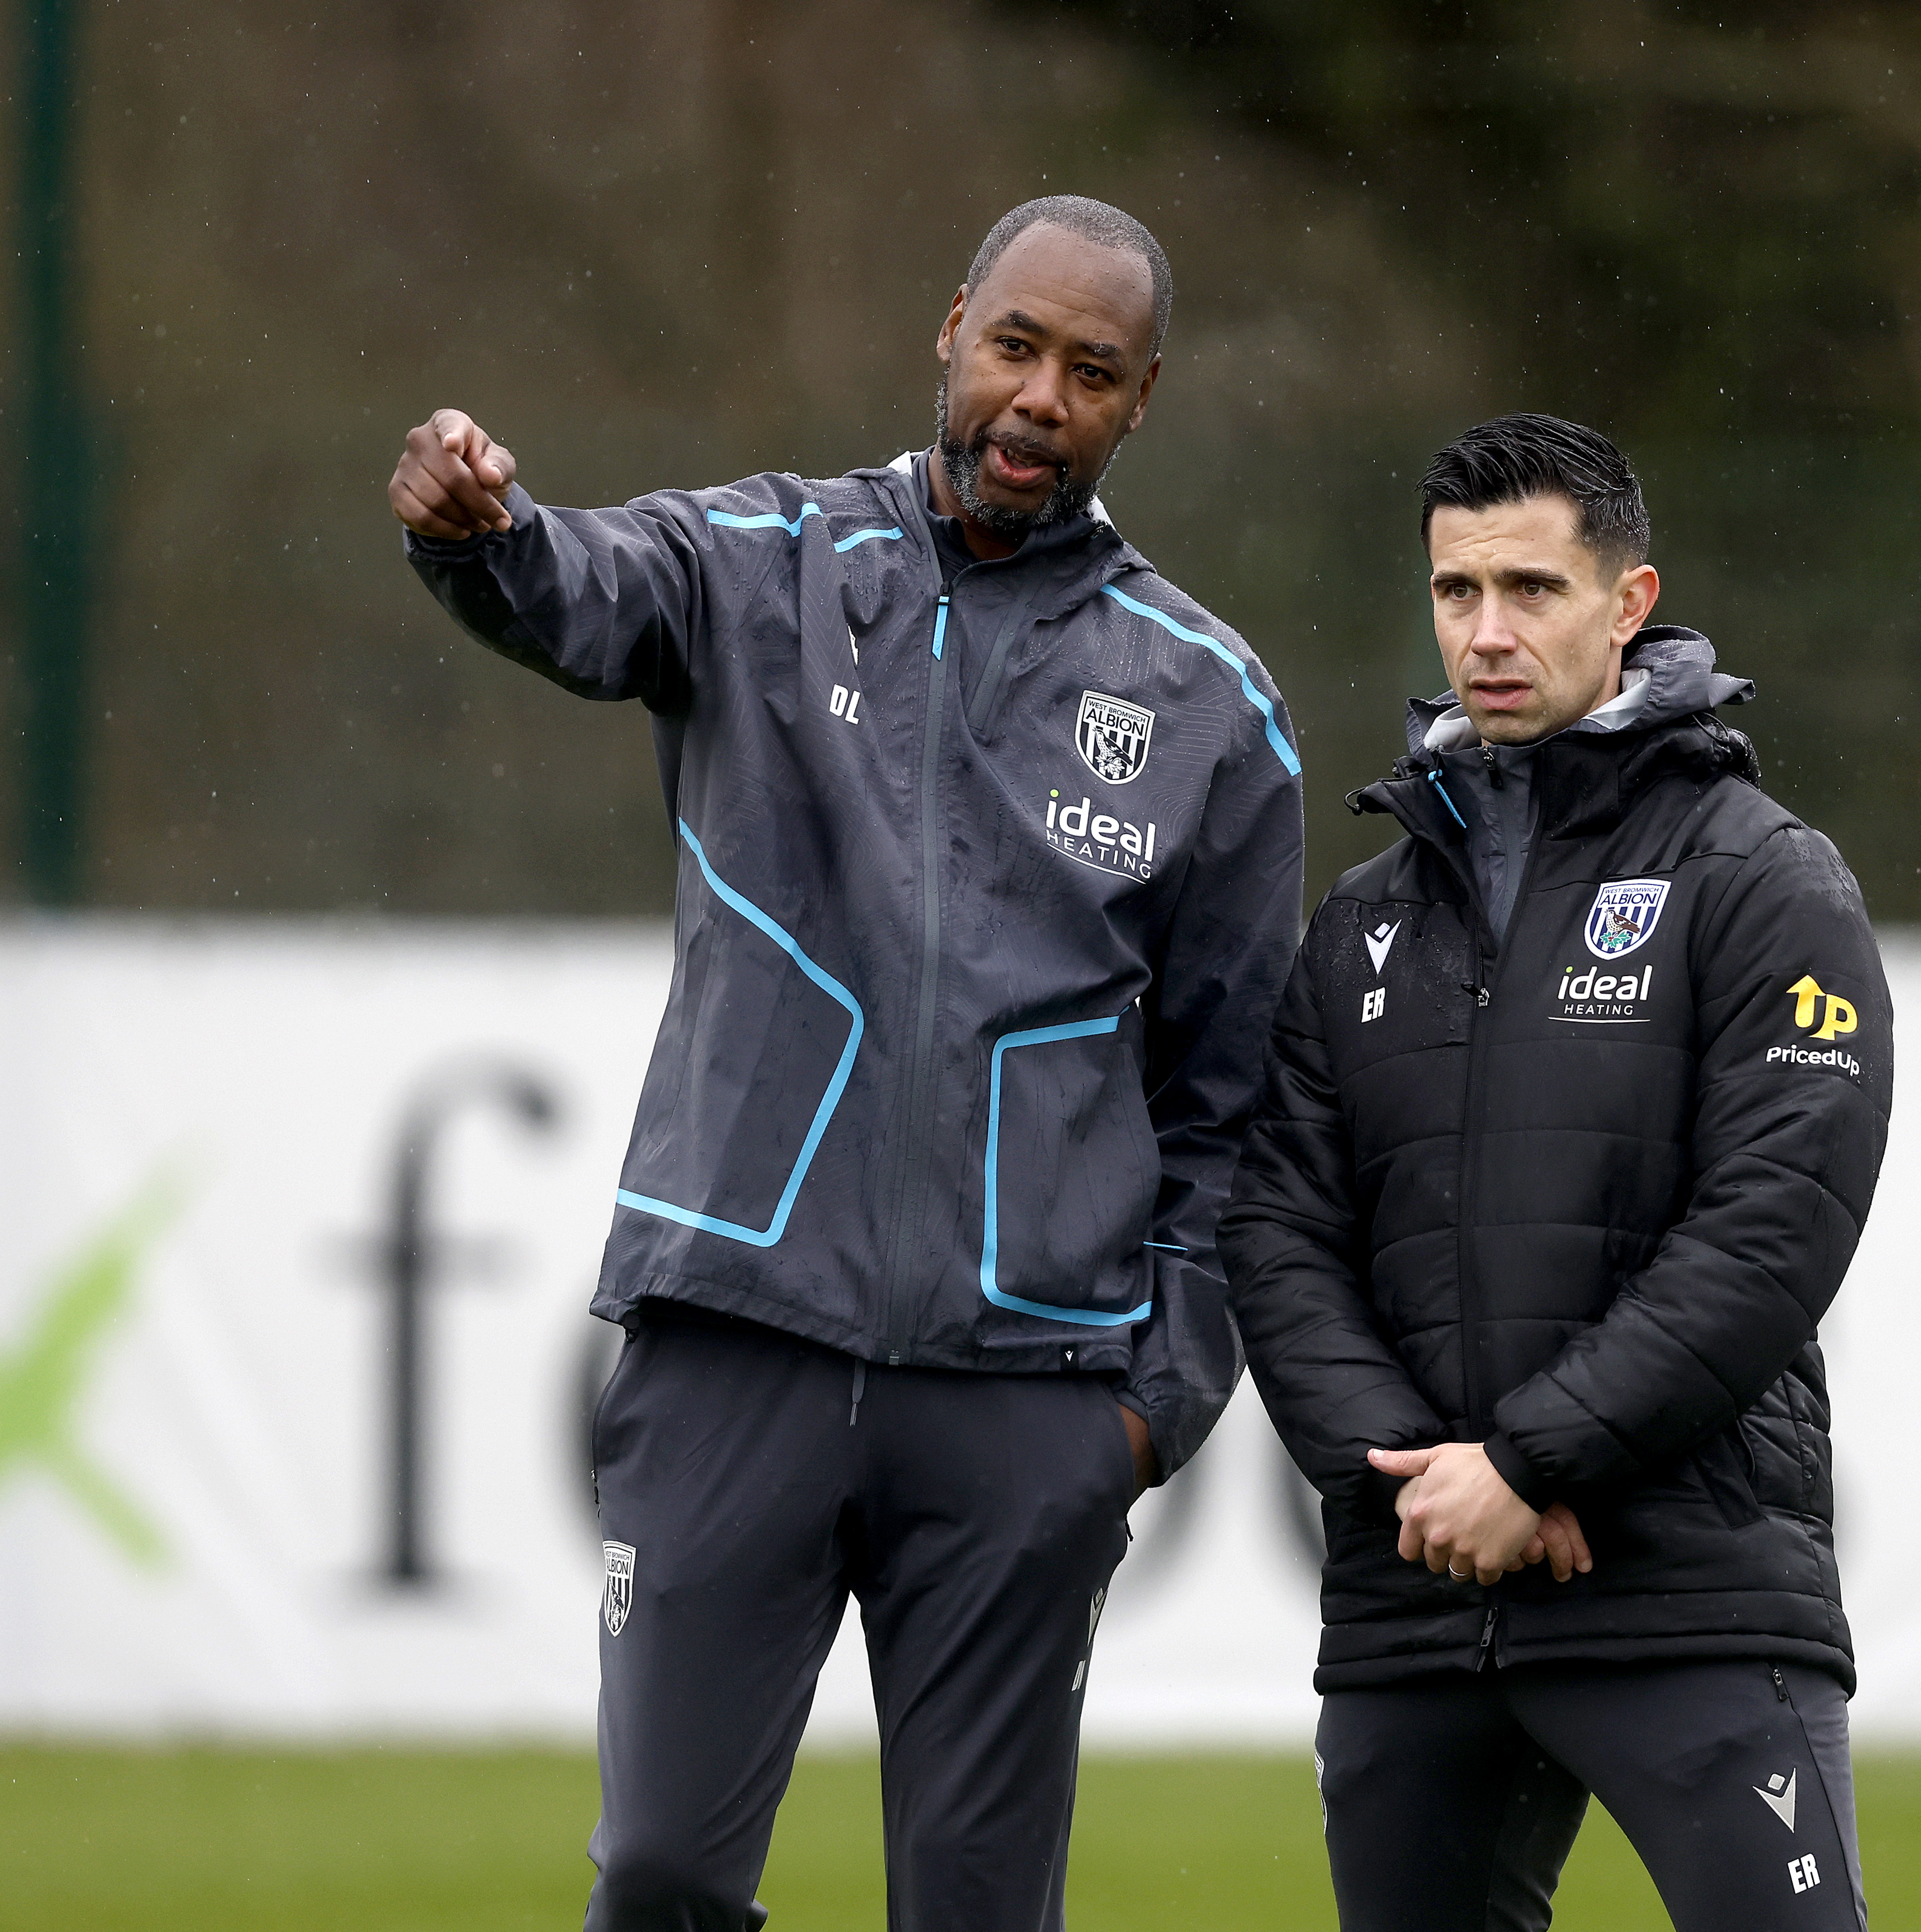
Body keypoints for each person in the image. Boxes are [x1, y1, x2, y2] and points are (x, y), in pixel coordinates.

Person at [389, 196, 1303, 1932]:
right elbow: (586, 587)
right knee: (659, 1874)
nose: (1039, 398)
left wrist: (1147, 1408)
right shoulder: (765, 560)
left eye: (1090, 370)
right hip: (738, 1344)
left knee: (975, 1909)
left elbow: (1232, 1108)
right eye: (1015, 345)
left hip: (1025, 1403)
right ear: (952, 330)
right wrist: (483, 532)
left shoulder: (1209, 701)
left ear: (1142, 400)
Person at [1219, 414, 1890, 1930]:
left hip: (1687, 1596)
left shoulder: (1762, 875)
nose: (1487, 633)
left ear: (1628, 601)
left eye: (1531, 588)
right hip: (1416, 1604)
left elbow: (1774, 1226)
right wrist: (1428, 1481)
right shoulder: (1364, 918)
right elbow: (1276, 1232)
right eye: (1456, 592)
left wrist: (1532, 1467)